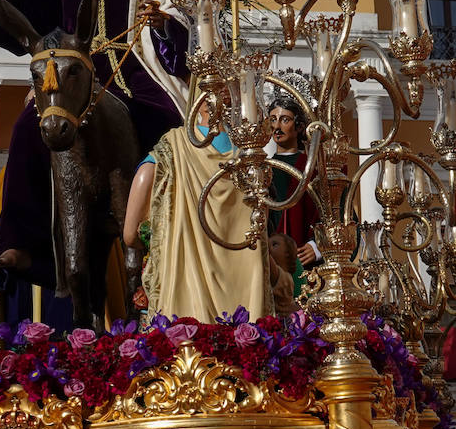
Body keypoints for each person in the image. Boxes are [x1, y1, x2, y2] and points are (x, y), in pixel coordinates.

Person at [0, 0, 191, 295]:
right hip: (71, 73)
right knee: (28, 128)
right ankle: (22, 241)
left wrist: (163, 21)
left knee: (169, 132)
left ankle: (162, 244)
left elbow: (184, 31)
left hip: (134, 70)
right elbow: (23, 23)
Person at [123, 98, 270, 321]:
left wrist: (166, 239)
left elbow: (130, 234)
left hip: (183, 300)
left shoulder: (169, 153)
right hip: (245, 303)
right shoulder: (252, 159)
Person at [267, 100, 322, 267]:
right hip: (269, 261)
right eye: (272, 119)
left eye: (284, 120)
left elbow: (335, 214)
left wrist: (316, 246)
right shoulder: (262, 169)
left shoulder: (313, 168)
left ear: (299, 127)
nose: (277, 126)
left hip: (303, 262)